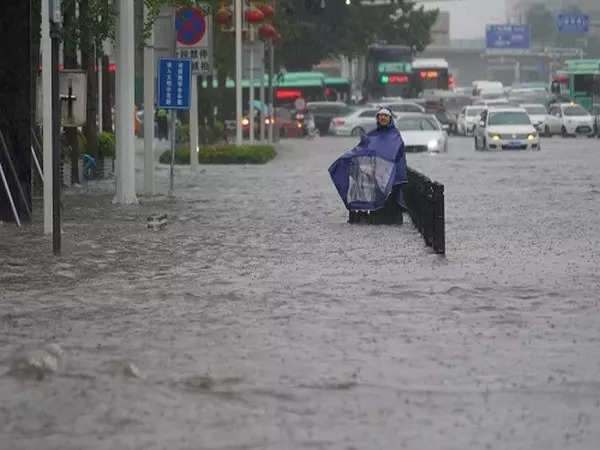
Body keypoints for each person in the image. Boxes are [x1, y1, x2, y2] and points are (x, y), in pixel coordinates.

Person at [329, 106, 407, 225]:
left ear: (390, 118)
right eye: (380, 116)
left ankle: (390, 220)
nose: (383, 118)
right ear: (377, 118)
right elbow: (361, 150)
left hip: (390, 178)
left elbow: (395, 154)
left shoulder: (395, 136)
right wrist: (347, 158)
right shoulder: (371, 135)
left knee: (389, 207)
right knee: (376, 205)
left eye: (385, 116)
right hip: (375, 178)